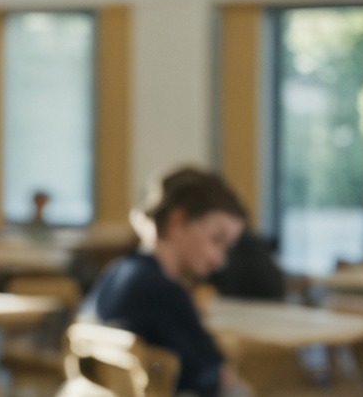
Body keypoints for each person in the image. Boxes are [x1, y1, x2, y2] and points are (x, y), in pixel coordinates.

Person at [80, 166, 248, 397]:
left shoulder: (117, 273)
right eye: (216, 240)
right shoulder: (163, 292)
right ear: (178, 222)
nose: (220, 260)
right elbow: (218, 375)